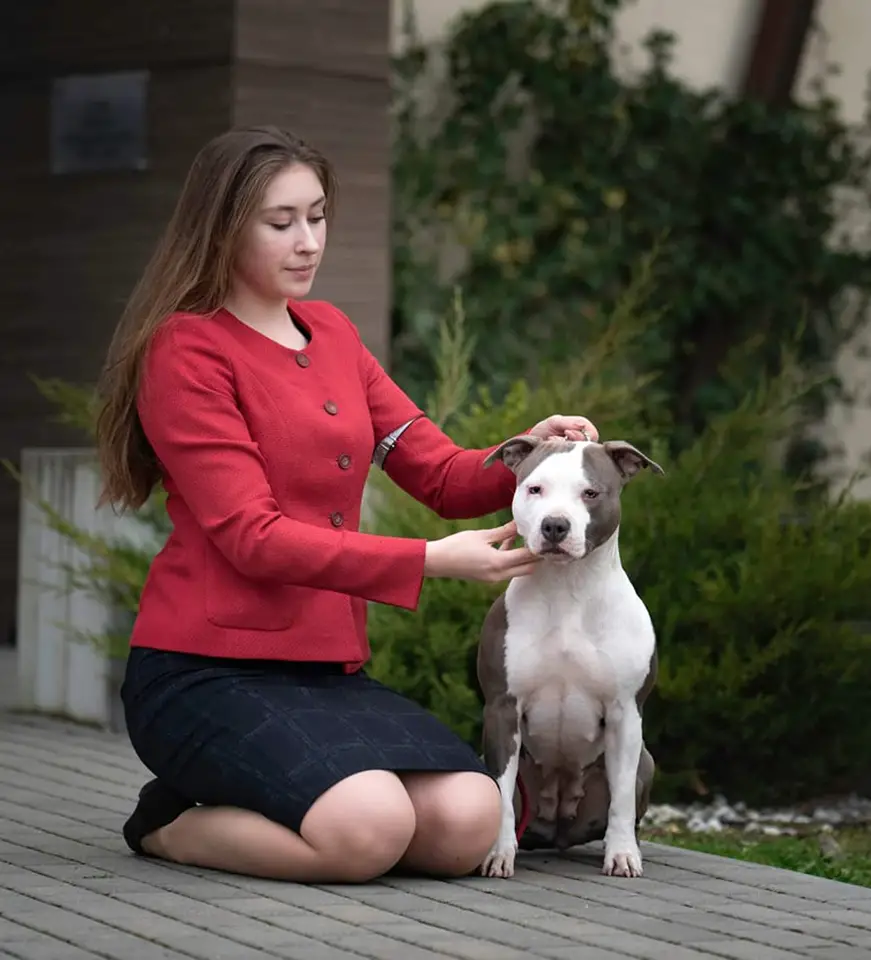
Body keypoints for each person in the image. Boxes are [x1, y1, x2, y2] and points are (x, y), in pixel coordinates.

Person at [95, 125, 598, 884]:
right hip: (204, 673)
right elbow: (253, 539)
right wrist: (430, 562)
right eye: (280, 222)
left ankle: (286, 802)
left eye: (318, 216)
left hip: (323, 670)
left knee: (470, 822)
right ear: (222, 226)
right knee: (366, 833)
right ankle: (168, 824)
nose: (307, 241)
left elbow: (440, 473)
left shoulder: (331, 332)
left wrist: (530, 452)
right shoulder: (185, 349)